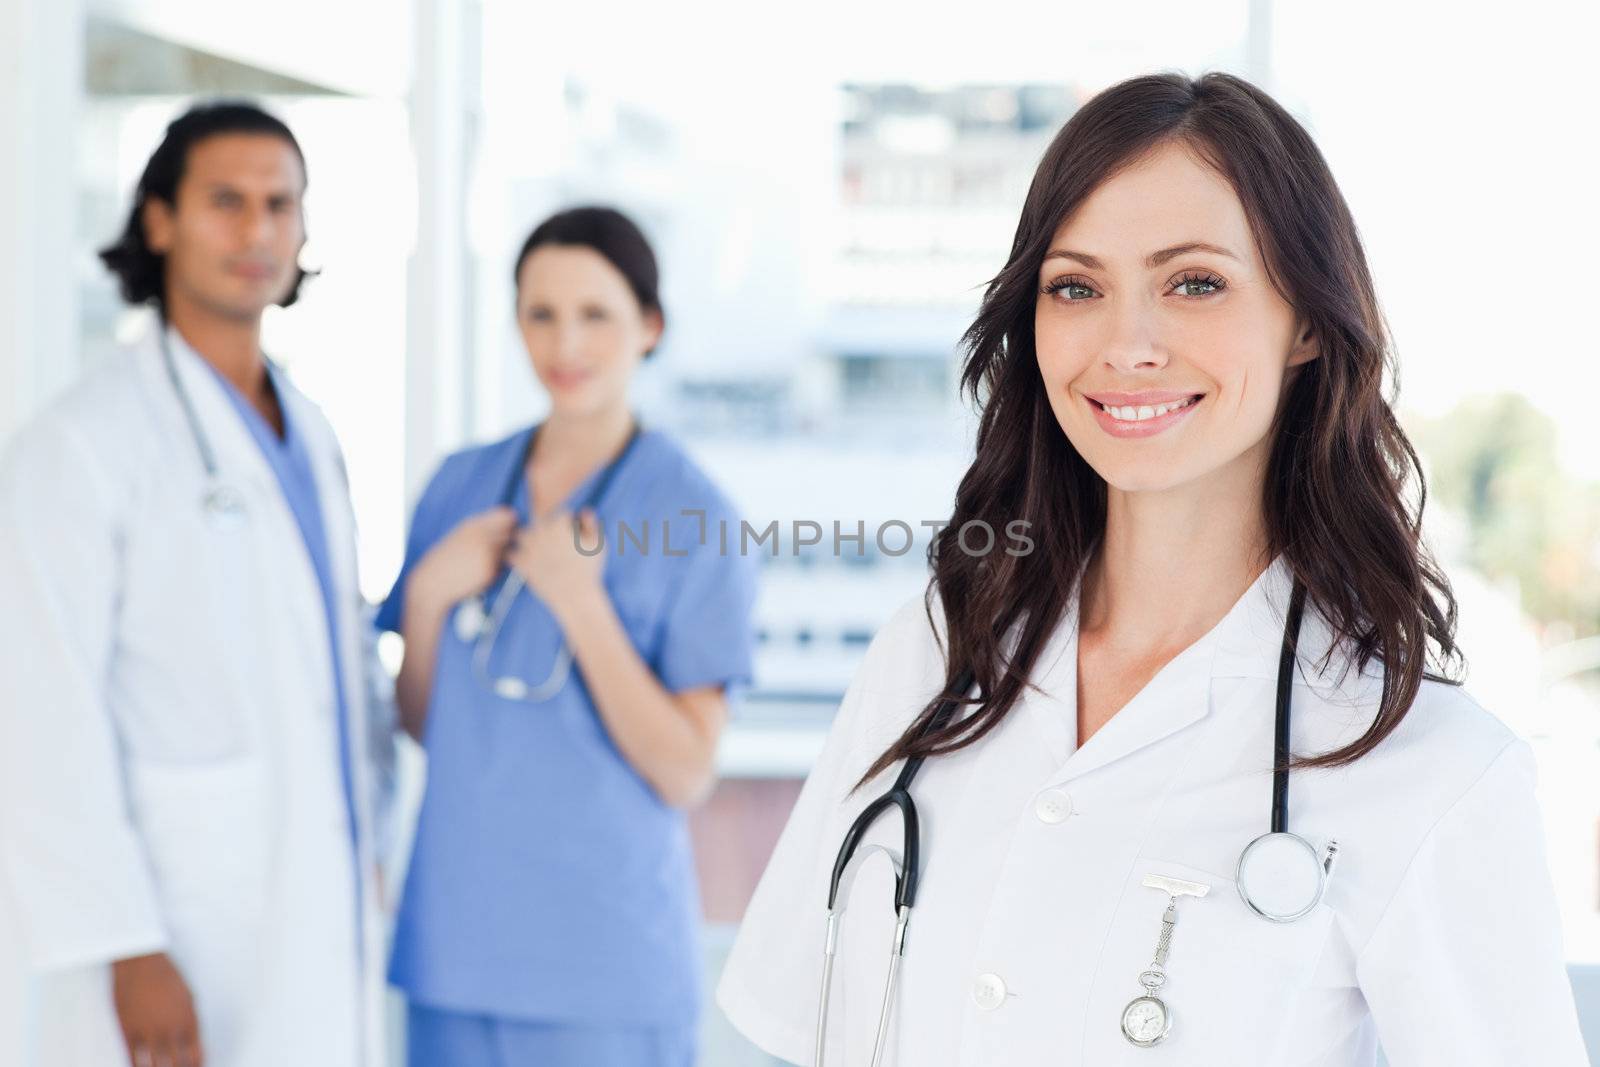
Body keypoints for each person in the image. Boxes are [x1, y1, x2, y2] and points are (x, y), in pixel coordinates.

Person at [716, 72, 1588, 1066]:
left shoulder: (1430, 767)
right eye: (1075, 287)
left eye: (1193, 282)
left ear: (1307, 320)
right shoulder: (931, 661)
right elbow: (791, 1031)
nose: (1126, 344)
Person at [0, 102, 395, 1066]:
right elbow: (37, 699)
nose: (258, 230)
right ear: (159, 220)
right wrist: (122, 941)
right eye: (226, 201)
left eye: (280, 204)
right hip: (173, 916)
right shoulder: (84, 442)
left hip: (314, 890)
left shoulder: (314, 430)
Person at [377, 205, 759, 1067]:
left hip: (604, 964)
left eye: (596, 315)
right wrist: (429, 596)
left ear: (648, 327)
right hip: (456, 946)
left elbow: (686, 769)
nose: (566, 344)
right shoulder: (460, 484)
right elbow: (422, 723)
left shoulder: (694, 515)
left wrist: (581, 605)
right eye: (541, 313)